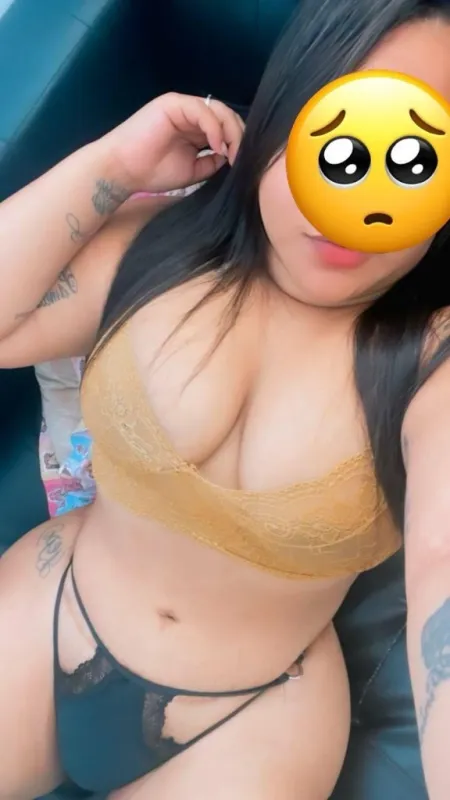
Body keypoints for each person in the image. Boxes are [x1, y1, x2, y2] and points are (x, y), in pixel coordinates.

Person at [1, 0, 450, 797]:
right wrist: (114, 163)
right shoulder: (163, 242)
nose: (357, 189)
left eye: (415, 155)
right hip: (49, 612)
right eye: (341, 131)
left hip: (252, 726)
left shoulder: (431, 360)